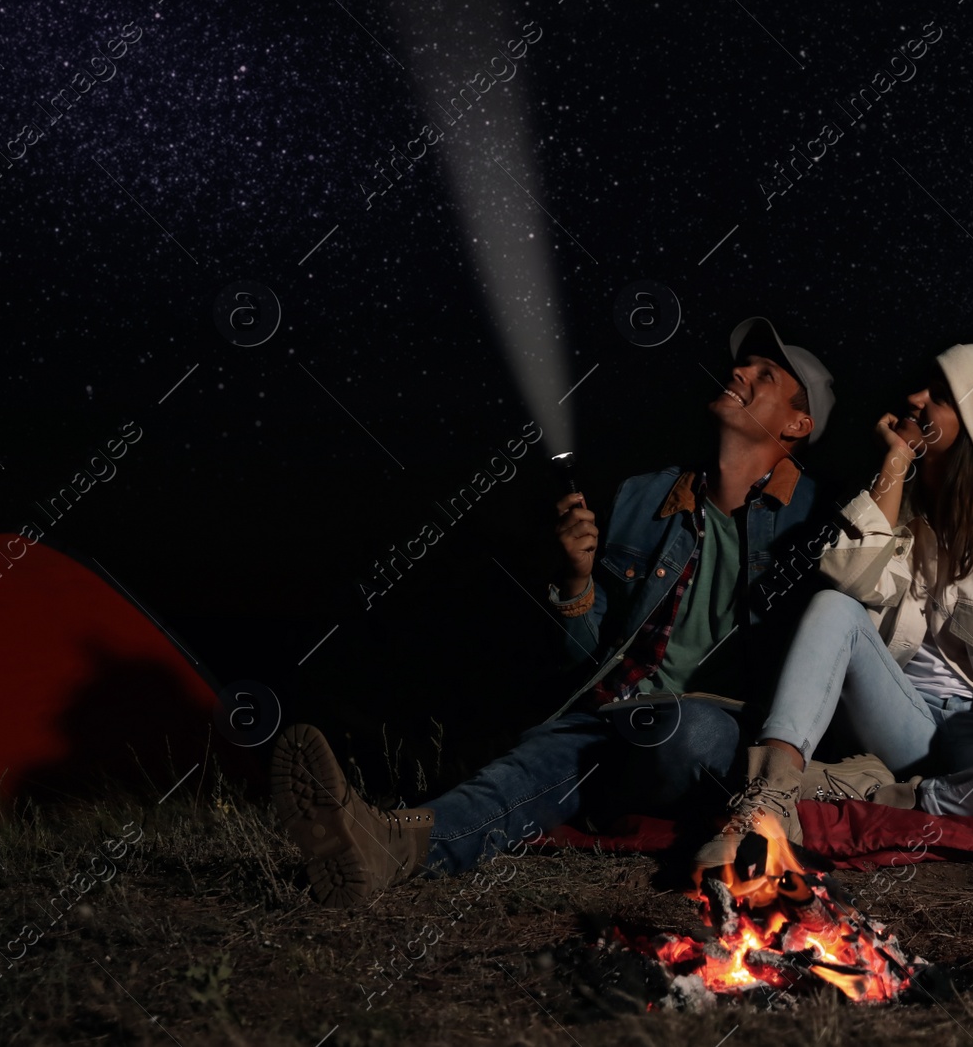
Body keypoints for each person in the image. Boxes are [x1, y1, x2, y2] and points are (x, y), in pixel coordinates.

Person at [272, 317, 871, 907]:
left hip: (725, 733)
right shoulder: (644, 497)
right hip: (619, 717)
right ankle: (392, 843)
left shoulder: (821, 518)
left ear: (799, 422)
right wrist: (577, 581)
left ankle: (555, 795)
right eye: (744, 364)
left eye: (765, 374)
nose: (740, 371)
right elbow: (587, 658)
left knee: (681, 731)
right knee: (559, 748)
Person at [696, 343, 973, 871]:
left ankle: (906, 798)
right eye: (922, 384)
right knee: (832, 607)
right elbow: (847, 579)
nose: (913, 398)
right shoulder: (885, 510)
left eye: (939, 395)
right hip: (901, 723)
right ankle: (768, 799)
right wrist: (895, 460)